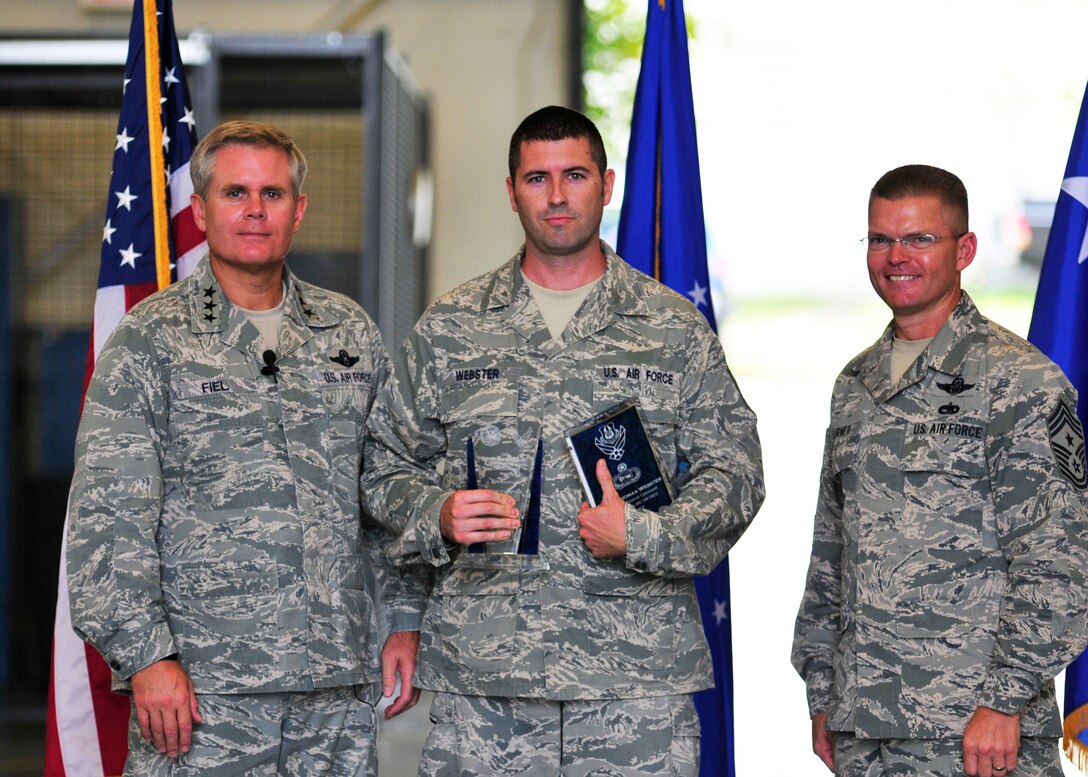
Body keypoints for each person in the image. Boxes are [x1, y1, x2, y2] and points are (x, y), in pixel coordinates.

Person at [363, 105, 765, 776]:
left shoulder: (671, 328)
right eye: (537, 178)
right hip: (485, 687)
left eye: (574, 175)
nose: (556, 196)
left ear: (606, 185)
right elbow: (381, 467)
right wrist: (437, 513)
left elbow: (737, 471)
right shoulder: (451, 328)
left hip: (634, 688)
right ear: (511, 190)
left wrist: (643, 533)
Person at [66, 120, 421, 776]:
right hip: (203, 697)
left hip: (334, 694)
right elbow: (106, 521)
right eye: (235, 193)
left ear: (299, 209)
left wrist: (403, 617)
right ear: (200, 210)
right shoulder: (151, 341)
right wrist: (146, 656)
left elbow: (387, 490)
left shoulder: (350, 333)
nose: (255, 210)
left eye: (273, 194)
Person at [792, 164, 1088, 777]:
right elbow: (831, 552)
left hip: (974, 735)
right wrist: (823, 693)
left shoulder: (1020, 381)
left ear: (965, 249)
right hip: (863, 730)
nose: (897, 256)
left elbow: (1061, 560)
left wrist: (1003, 701)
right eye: (881, 239)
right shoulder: (856, 383)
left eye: (920, 239)